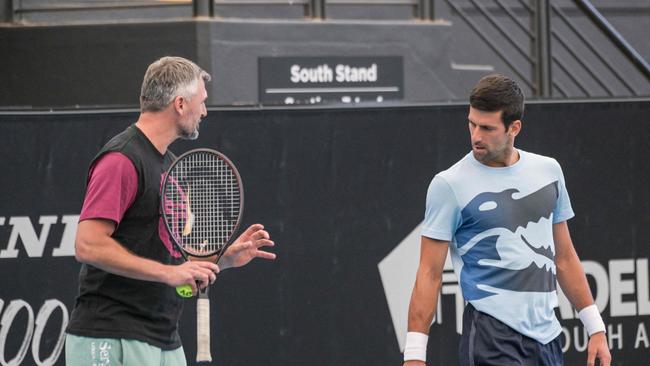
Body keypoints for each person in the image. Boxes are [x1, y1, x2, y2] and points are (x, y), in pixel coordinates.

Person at [65, 56, 276, 365]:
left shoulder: (170, 166)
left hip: (164, 339)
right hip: (111, 335)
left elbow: (166, 258)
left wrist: (221, 259)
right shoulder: (121, 160)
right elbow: (88, 245)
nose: (204, 111)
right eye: (201, 102)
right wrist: (170, 273)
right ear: (180, 103)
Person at [403, 74, 611, 366]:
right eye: (471, 124)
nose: (476, 135)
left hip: (548, 337)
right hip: (491, 338)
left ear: (514, 128)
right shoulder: (448, 185)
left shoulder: (549, 171)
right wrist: (414, 356)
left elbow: (563, 257)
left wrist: (596, 328)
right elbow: (429, 273)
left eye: (487, 128)